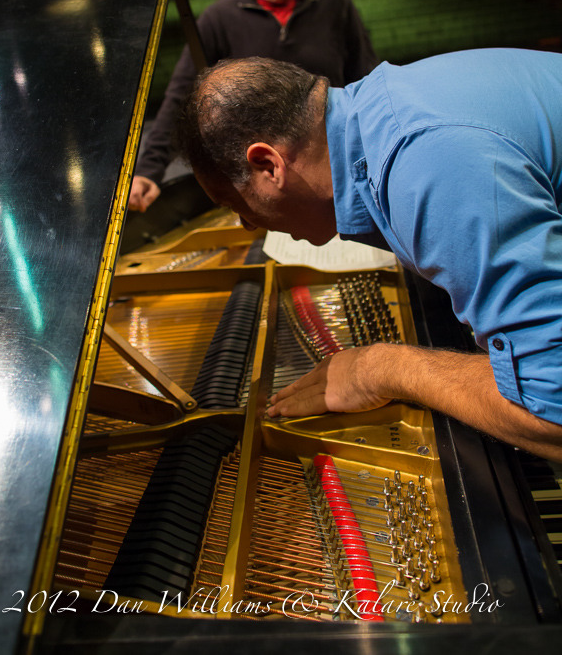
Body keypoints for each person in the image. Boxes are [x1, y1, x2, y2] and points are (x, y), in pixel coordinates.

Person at [176, 50, 562, 461]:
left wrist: (380, 370)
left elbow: (552, 413)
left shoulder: (423, 167)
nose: (246, 226)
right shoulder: (385, 107)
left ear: (269, 166)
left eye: (234, 204)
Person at [129, 0, 377, 212]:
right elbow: (182, 98)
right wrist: (149, 170)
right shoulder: (219, 18)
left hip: (332, 178)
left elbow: (366, 85)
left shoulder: (335, 4)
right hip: (254, 189)